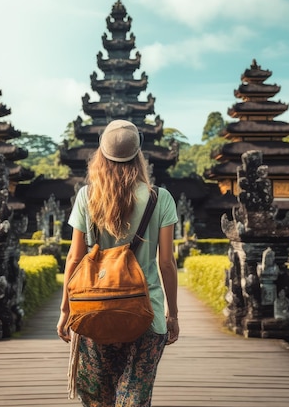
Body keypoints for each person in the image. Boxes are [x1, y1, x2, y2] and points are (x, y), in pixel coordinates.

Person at [57, 119, 179, 407]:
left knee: (98, 398)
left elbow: (74, 258)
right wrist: (172, 314)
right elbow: (167, 263)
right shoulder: (160, 198)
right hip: (148, 312)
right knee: (135, 396)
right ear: (139, 157)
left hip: (94, 309)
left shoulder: (87, 197)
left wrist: (65, 310)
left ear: (100, 155)